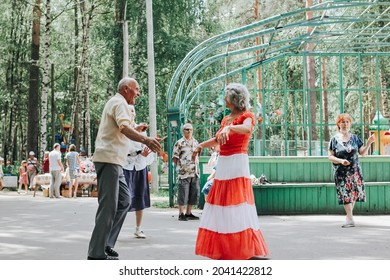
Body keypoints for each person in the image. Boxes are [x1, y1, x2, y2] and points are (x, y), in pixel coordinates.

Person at [192, 83, 269, 260]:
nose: (224, 100)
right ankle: (226, 246)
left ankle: (245, 247)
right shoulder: (226, 119)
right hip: (224, 162)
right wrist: (201, 145)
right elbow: (218, 140)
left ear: (234, 99)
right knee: (223, 203)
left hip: (238, 161)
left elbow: (247, 128)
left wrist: (231, 127)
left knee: (238, 203)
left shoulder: (246, 116)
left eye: (226, 97)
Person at [87, 77, 161, 260]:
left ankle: (106, 244)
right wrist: (146, 139)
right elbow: (123, 128)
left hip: (116, 161)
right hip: (109, 159)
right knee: (108, 206)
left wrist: (136, 127)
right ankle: (96, 252)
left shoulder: (118, 103)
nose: (138, 93)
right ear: (127, 88)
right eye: (137, 89)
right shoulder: (120, 103)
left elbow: (124, 127)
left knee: (124, 201)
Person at [328, 113, 375, 228]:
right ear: (338, 124)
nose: (345, 124)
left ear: (350, 124)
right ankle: (350, 218)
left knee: (353, 194)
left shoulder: (355, 138)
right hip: (341, 173)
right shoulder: (334, 140)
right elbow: (330, 156)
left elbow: (362, 153)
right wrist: (340, 161)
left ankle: (349, 218)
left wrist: (369, 142)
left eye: (347, 122)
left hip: (355, 171)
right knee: (345, 194)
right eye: (343, 122)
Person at [123, 105, 155, 239]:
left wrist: (147, 152)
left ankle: (138, 228)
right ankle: (114, 227)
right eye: (129, 111)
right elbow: (124, 149)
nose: (132, 113)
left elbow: (144, 146)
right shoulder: (122, 129)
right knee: (123, 199)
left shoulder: (142, 130)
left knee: (140, 198)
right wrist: (137, 152)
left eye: (133, 111)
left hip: (140, 166)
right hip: (126, 167)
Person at [172, 123, 200, 221]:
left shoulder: (196, 142)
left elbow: (198, 155)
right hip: (184, 173)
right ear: (183, 131)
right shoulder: (179, 143)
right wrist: (181, 167)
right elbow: (175, 158)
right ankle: (181, 213)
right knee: (183, 193)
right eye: (187, 129)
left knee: (194, 192)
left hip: (195, 171)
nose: (189, 131)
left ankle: (189, 212)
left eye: (190, 129)